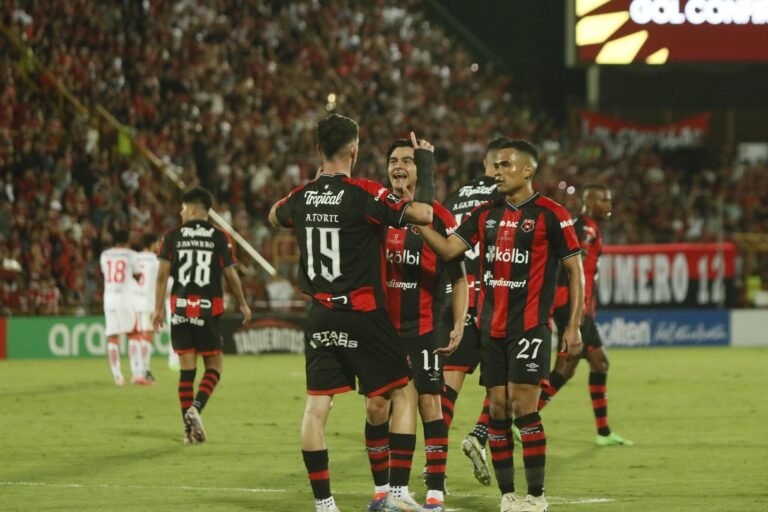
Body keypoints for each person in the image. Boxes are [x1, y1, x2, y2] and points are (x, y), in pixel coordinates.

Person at [268, 114, 435, 512]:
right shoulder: (366, 194)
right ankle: (395, 494)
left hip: (320, 315)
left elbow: (275, 215)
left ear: (318, 151)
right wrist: (425, 165)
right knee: (402, 392)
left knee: (316, 407)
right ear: (355, 151)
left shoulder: (302, 196)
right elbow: (424, 214)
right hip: (362, 311)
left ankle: (325, 505)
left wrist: (309, 197)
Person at [418, 139, 585, 512]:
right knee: (497, 409)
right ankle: (508, 496)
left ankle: (537, 497)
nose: (496, 172)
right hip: (490, 326)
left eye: (505, 165)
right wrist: (415, 225)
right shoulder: (484, 213)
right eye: (495, 166)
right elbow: (448, 251)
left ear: (528, 170)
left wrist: (573, 326)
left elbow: (575, 270)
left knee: (525, 408)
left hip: (529, 327)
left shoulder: (552, 214)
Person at [383, 139, 468, 512]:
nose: (399, 166)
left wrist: (460, 322)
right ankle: (391, 489)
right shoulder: (380, 208)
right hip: (384, 330)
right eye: (393, 160)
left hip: (426, 325)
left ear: (420, 170)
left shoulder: (440, 216)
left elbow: (460, 276)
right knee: (383, 408)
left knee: (431, 403)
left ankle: (435, 490)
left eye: (407, 160)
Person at [152, 186, 252, 444]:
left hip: (181, 309)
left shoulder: (172, 236)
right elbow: (230, 275)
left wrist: (157, 308)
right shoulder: (220, 237)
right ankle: (196, 408)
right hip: (207, 311)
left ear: (194, 209)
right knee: (214, 368)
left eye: (183, 208)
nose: (180, 212)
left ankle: (188, 432)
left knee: (187, 372)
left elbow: (162, 274)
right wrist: (242, 304)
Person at [438, 137, 510, 487]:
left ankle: (434, 463)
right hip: (496, 298)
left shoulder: (454, 198)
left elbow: (444, 247)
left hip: (457, 297)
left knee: (448, 387)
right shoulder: (506, 198)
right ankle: (480, 435)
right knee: (508, 382)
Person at [538, 184, 632, 446]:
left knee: (599, 363)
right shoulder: (585, 229)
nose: (609, 204)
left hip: (577, 307)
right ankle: (524, 419)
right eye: (603, 199)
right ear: (588, 202)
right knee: (566, 368)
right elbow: (568, 265)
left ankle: (603, 432)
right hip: (572, 307)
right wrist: (565, 311)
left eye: (610, 199)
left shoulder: (587, 227)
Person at [100, 229, 146, 386]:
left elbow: (106, 273)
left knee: (113, 337)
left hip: (108, 298)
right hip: (125, 298)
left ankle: (118, 376)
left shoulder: (104, 255)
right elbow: (138, 275)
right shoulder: (131, 255)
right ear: (127, 241)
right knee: (134, 334)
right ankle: (136, 374)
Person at [133, 233, 160, 382]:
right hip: (148, 302)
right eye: (156, 243)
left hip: (134, 301)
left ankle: (139, 368)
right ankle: (144, 370)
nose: (158, 246)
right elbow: (160, 281)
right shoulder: (156, 260)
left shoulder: (135, 258)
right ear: (152, 244)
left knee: (138, 336)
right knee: (147, 336)